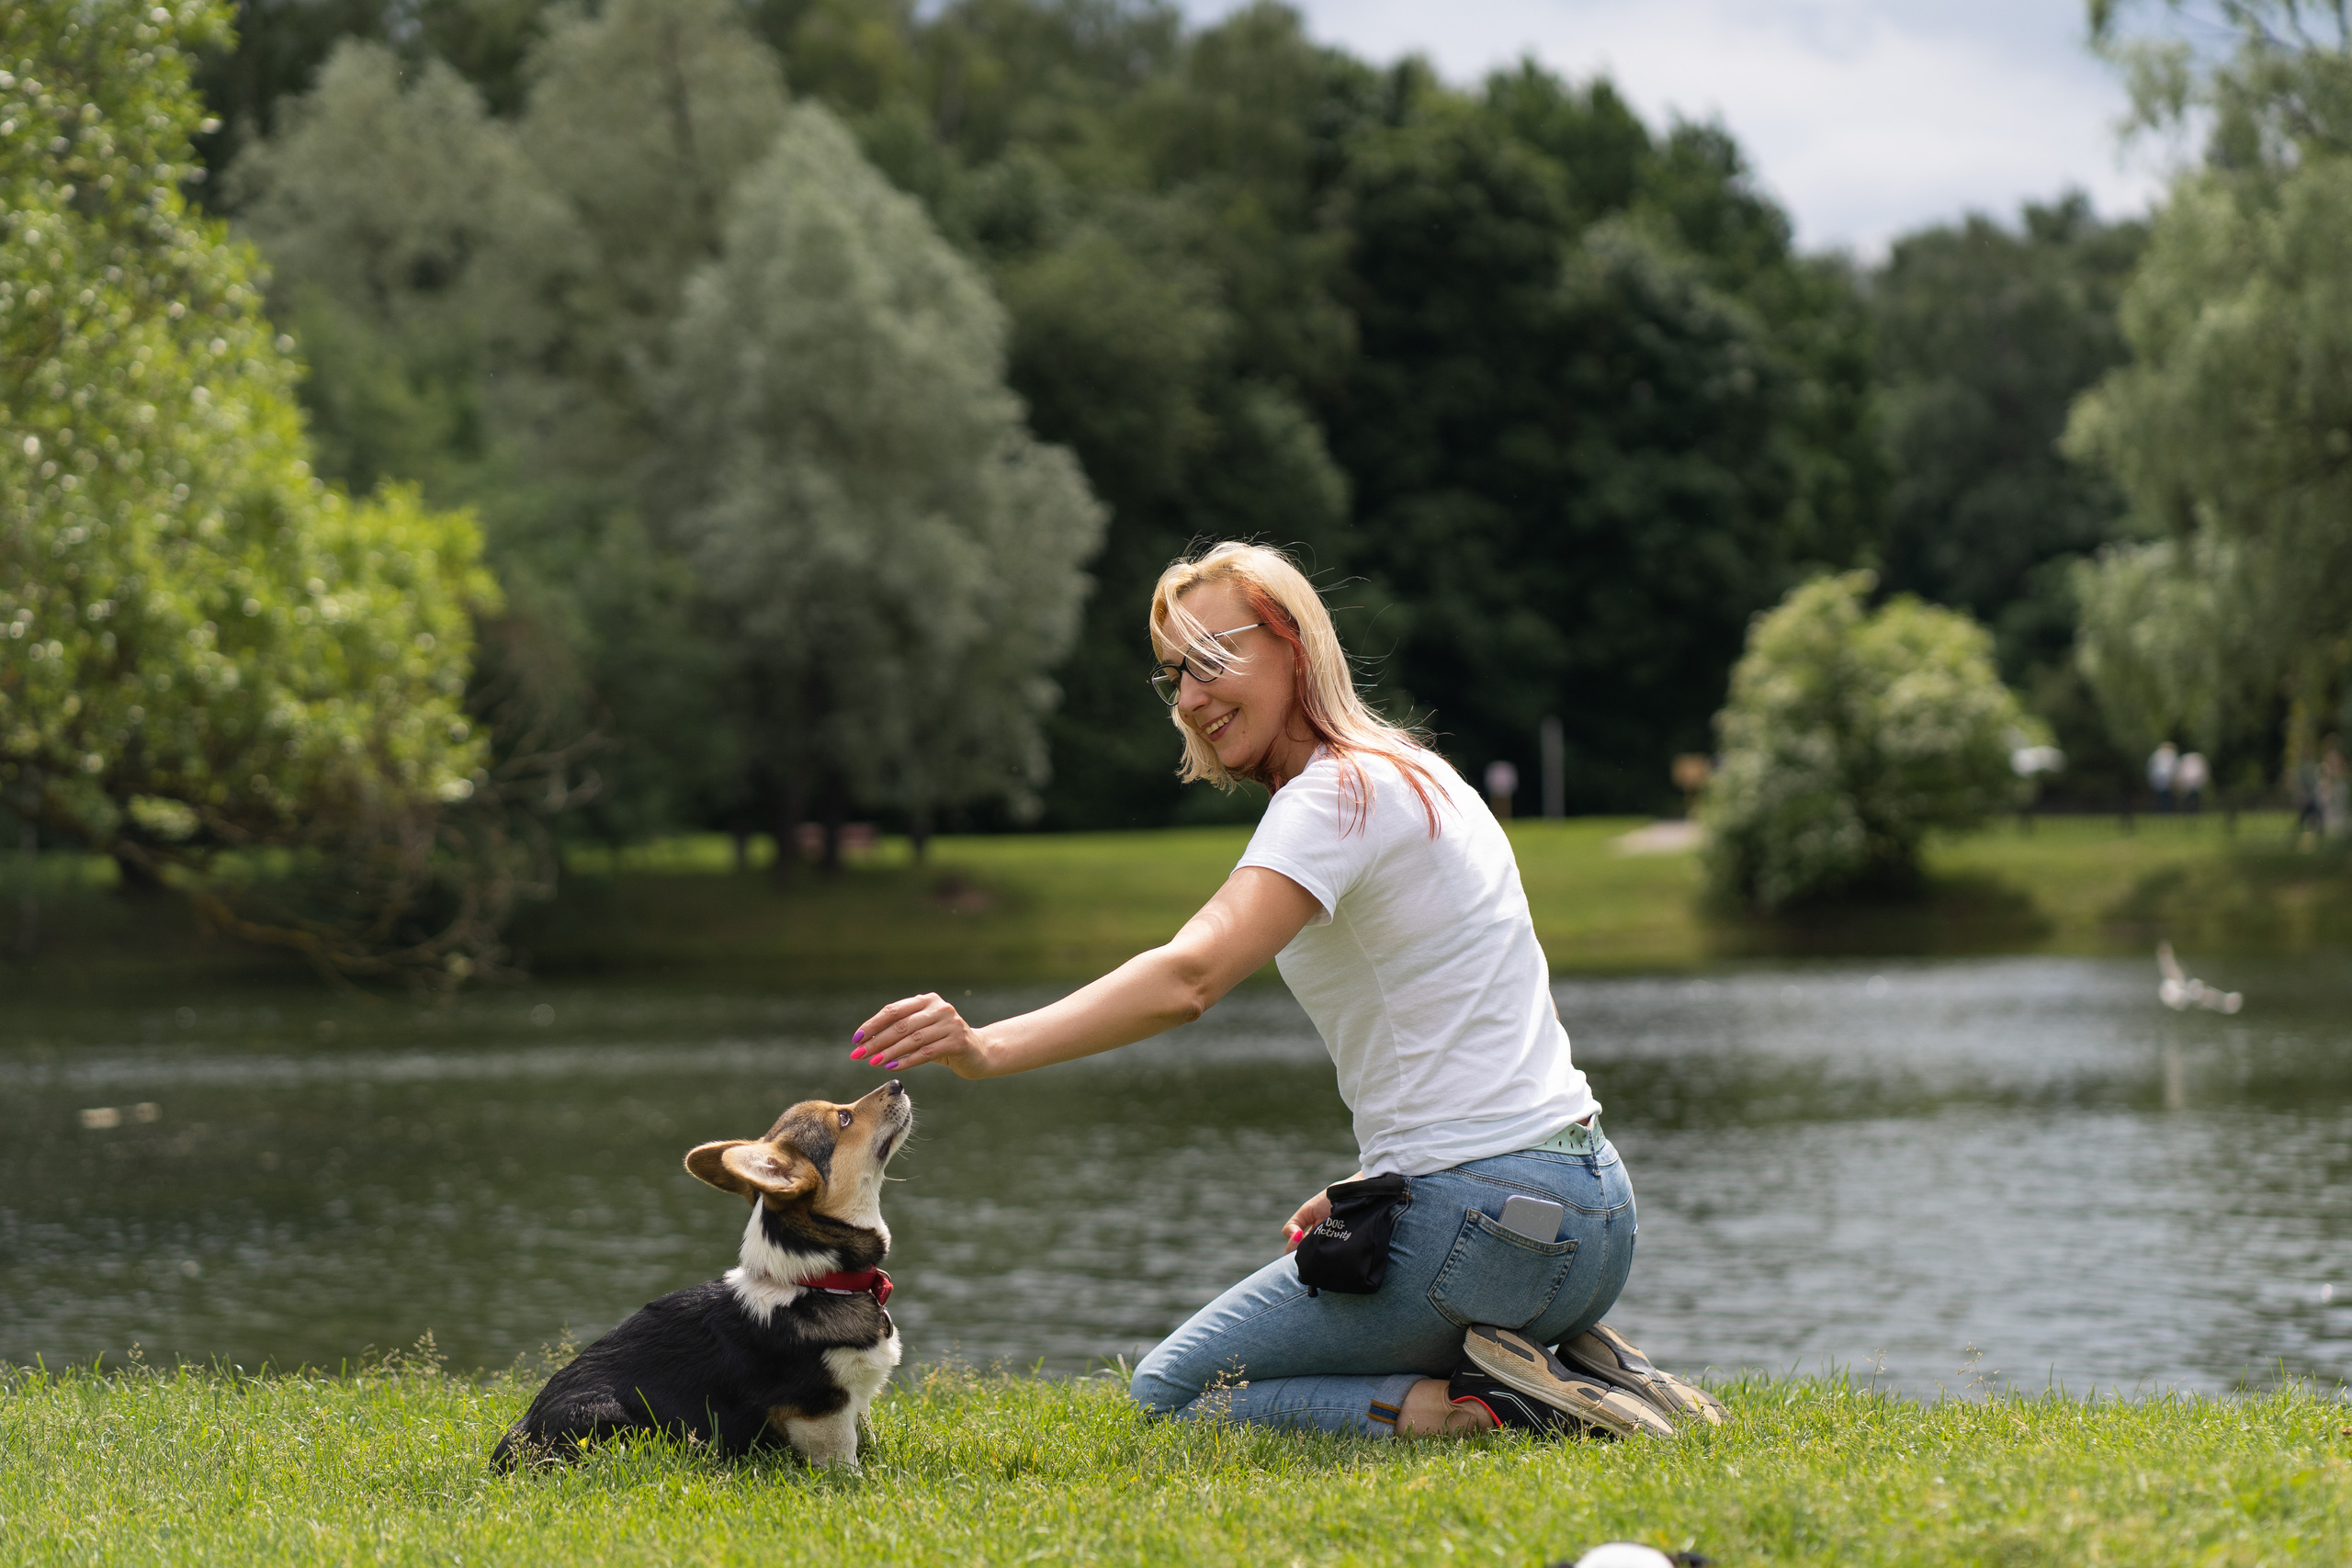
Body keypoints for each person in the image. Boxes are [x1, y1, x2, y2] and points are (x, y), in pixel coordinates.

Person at [850, 542, 1711, 1441]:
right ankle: (1579, 1362)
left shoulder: (1332, 796)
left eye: (1212, 660)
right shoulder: (1423, 776)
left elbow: (1190, 977)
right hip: (1597, 1216)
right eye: (1174, 676)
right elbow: (1497, 1019)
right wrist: (1388, 1180)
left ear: (1293, 643)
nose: (1188, 697)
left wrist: (988, 1048)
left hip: (1485, 1228)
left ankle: (1498, 1407)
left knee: (1173, 1396)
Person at [2148, 741, 2179, 812]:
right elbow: (2175, 766)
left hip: (2157, 777)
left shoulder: (2156, 753)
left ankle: (2161, 811)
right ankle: (2167, 811)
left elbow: (2151, 766)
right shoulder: (2172, 753)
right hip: (2168, 776)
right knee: (2167, 796)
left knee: (2160, 796)